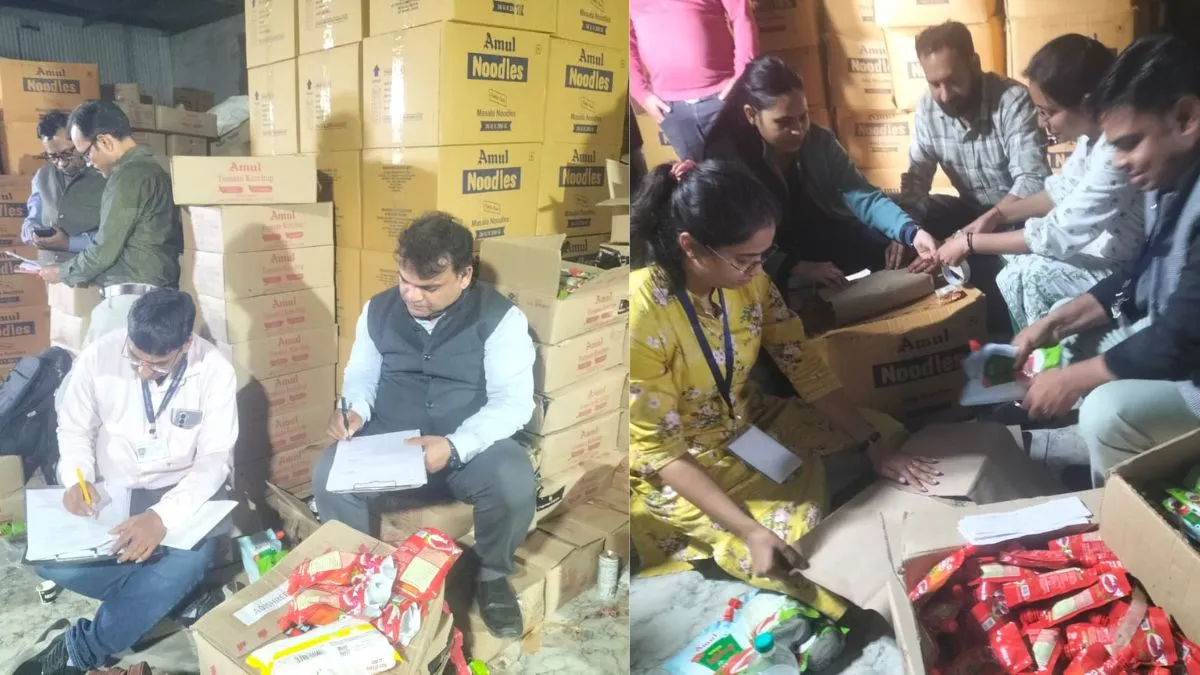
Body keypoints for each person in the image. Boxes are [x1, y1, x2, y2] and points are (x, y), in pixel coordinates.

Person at [628, 158, 940, 619]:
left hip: (748, 420)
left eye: (763, 255)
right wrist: (749, 532)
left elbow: (803, 365)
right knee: (796, 547)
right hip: (684, 458)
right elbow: (659, 450)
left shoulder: (749, 282)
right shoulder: (642, 310)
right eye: (744, 259)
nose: (758, 269)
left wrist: (872, 443)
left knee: (890, 435)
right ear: (690, 246)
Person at [312, 213, 537, 639]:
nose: (412, 295)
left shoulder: (500, 318)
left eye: (429, 287)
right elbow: (362, 373)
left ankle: (492, 576)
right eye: (405, 281)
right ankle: (359, 575)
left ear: (464, 276)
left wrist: (455, 445)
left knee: (514, 479)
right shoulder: (378, 310)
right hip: (392, 441)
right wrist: (354, 409)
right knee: (328, 474)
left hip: (466, 446)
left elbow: (513, 402)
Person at [1013, 35, 1200, 487]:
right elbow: (1137, 275)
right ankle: (1123, 461)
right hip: (1185, 342)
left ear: (1185, 118)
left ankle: (1130, 510)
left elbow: (1182, 336)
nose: (1120, 162)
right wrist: (1051, 324)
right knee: (1078, 338)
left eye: (1130, 143)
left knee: (1105, 411)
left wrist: (1074, 380)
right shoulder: (1168, 182)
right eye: (1113, 147)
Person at [18, 290, 236, 675]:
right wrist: (77, 477)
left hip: (182, 492)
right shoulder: (99, 356)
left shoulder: (215, 370)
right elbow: (74, 427)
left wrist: (161, 517)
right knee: (50, 564)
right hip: (114, 491)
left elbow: (215, 459)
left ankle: (80, 650)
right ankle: (170, 596)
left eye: (158, 364)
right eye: (135, 357)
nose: (143, 371)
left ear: (186, 345)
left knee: (194, 558)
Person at [935, 35, 1145, 331]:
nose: (1040, 121)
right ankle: (1031, 344)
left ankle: (1039, 347)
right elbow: (1058, 192)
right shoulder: (1090, 141)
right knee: (1010, 261)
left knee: (1028, 273)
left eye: (1047, 112)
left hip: (1123, 271)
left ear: (1086, 104)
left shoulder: (1116, 154)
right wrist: (994, 216)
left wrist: (969, 243)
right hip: (1096, 252)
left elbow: (1057, 233)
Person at [704, 55, 939, 296]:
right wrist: (795, 267)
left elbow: (864, 196)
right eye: (784, 122)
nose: (798, 130)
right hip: (763, 256)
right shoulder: (728, 161)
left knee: (902, 244)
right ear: (751, 114)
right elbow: (735, 242)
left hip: (821, 234)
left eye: (803, 117)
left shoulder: (819, 141)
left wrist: (911, 232)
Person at [30, 101, 182, 347]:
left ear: (106, 142)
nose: (89, 162)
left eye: (86, 154)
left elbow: (104, 250)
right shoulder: (148, 169)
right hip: (146, 298)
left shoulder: (127, 177)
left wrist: (62, 272)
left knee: (91, 369)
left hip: (130, 301)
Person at [902, 21, 1051, 239]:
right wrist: (907, 229)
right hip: (969, 212)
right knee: (898, 214)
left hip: (1017, 218)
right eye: (935, 85)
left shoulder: (1012, 101)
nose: (945, 95)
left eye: (953, 81)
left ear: (974, 64)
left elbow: (1032, 180)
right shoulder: (927, 108)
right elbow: (917, 178)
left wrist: (968, 236)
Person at [630, 0, 759, 160]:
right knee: (695, 173)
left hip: (724, 96)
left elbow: (741, 15)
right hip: (670, 108)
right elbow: (624, 38)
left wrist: (743, 73)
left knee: (743, 168)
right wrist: (640, 93)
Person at [22, 111, 106, 266]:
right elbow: (31, 220)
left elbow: (116, 238)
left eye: (67, 154)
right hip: (50, 273)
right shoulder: (42, 176)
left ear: (81, 141)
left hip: (93, 273)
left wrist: (69, 243)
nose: (61, 163)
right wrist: (31, 233)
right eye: (53, 157)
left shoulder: (106, 175)